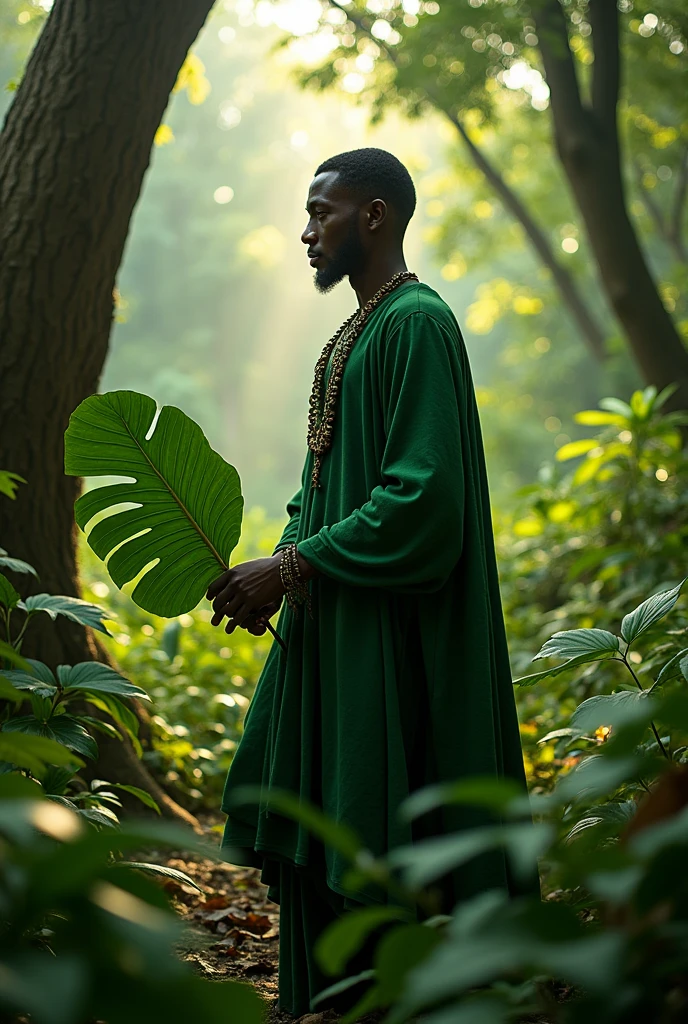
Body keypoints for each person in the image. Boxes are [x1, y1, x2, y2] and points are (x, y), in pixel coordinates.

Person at [207, 148, 532, 1017]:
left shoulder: (417, 323)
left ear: (376, 216)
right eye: (309, 217)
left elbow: (424, 501)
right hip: (337, 620)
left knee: (384, 828)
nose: (308, 232)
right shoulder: (356, 329)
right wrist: (270, 567)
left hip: (393, 638)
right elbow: (326, 484)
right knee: (321, 815)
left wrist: (293, 565)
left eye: (324, 213)